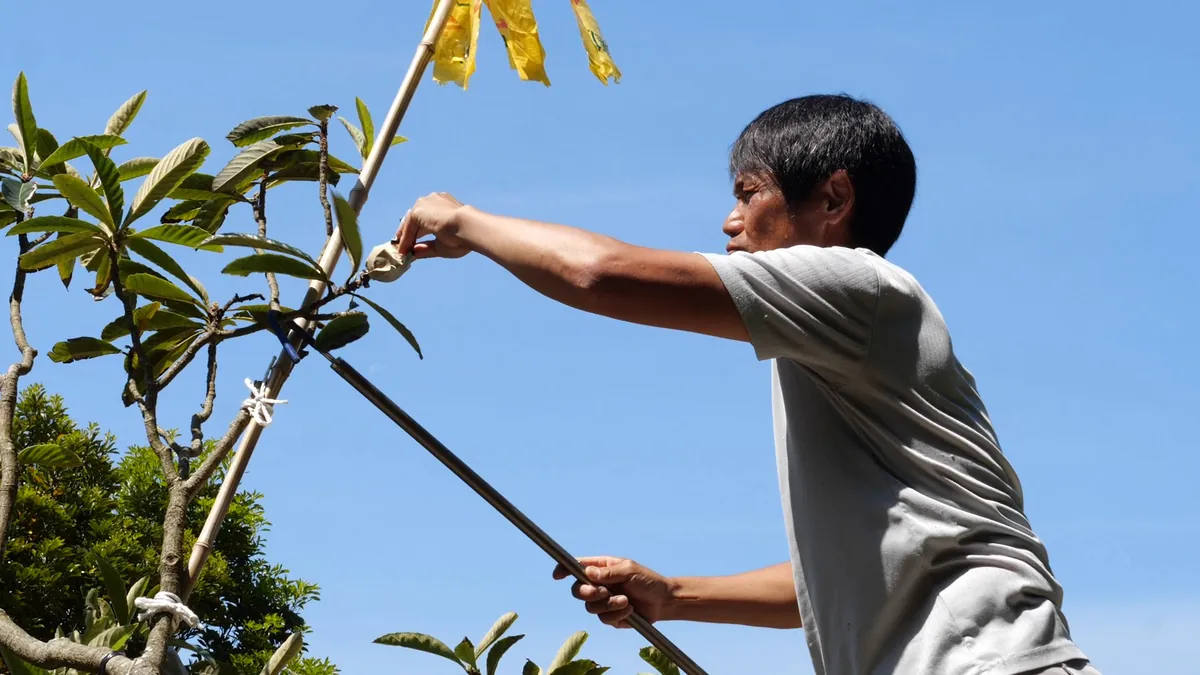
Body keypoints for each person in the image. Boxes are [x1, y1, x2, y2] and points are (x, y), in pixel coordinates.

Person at [393, 94, 1099, 675]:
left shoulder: (862, 288)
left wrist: (466, 221)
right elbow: (828, 582)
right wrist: (670, 594)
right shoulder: (838, 344)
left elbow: (599, 273)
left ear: (834, 196)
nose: (730, 221)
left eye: (748, 193)